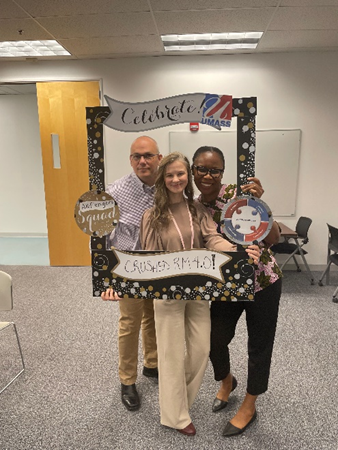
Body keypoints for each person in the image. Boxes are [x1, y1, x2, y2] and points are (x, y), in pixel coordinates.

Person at [138, 152, 260, 436]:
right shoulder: (152, 216)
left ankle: (180, 403)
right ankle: (175, 416)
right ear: (162, 180)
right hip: (167, 294)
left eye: (180, 174)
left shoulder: (197, 210)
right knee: (170, 356)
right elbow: (148, 257)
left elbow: (212, 238)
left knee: (201, 351)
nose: (176, 179)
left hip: (197, 292)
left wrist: (236, 250)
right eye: (169, 175)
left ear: (187, 176)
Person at [191, 145, 282, 437]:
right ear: (193, 170)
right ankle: (227, 380)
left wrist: (261, 205)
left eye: (214, 169)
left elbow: (275, 238)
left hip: (262, 282)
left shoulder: (239, 195)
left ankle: (250, 404)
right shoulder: (192, 207)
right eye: (201, 168)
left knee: (259, 344)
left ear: (223, 172)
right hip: (225, 287)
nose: (207, 175)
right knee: (214, 339)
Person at [105, 135, 162, 412]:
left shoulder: (169, 185)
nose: (143, 161)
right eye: (137, 156)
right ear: (130, 160)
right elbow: (100, 234)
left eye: (148, 155)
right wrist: (106, 278)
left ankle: (152, 364)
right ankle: (127, 380)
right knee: (130, 322)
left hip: (160, 266)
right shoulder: (115, 191)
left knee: (154, 316)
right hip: (127, 266)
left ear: (158, 158)